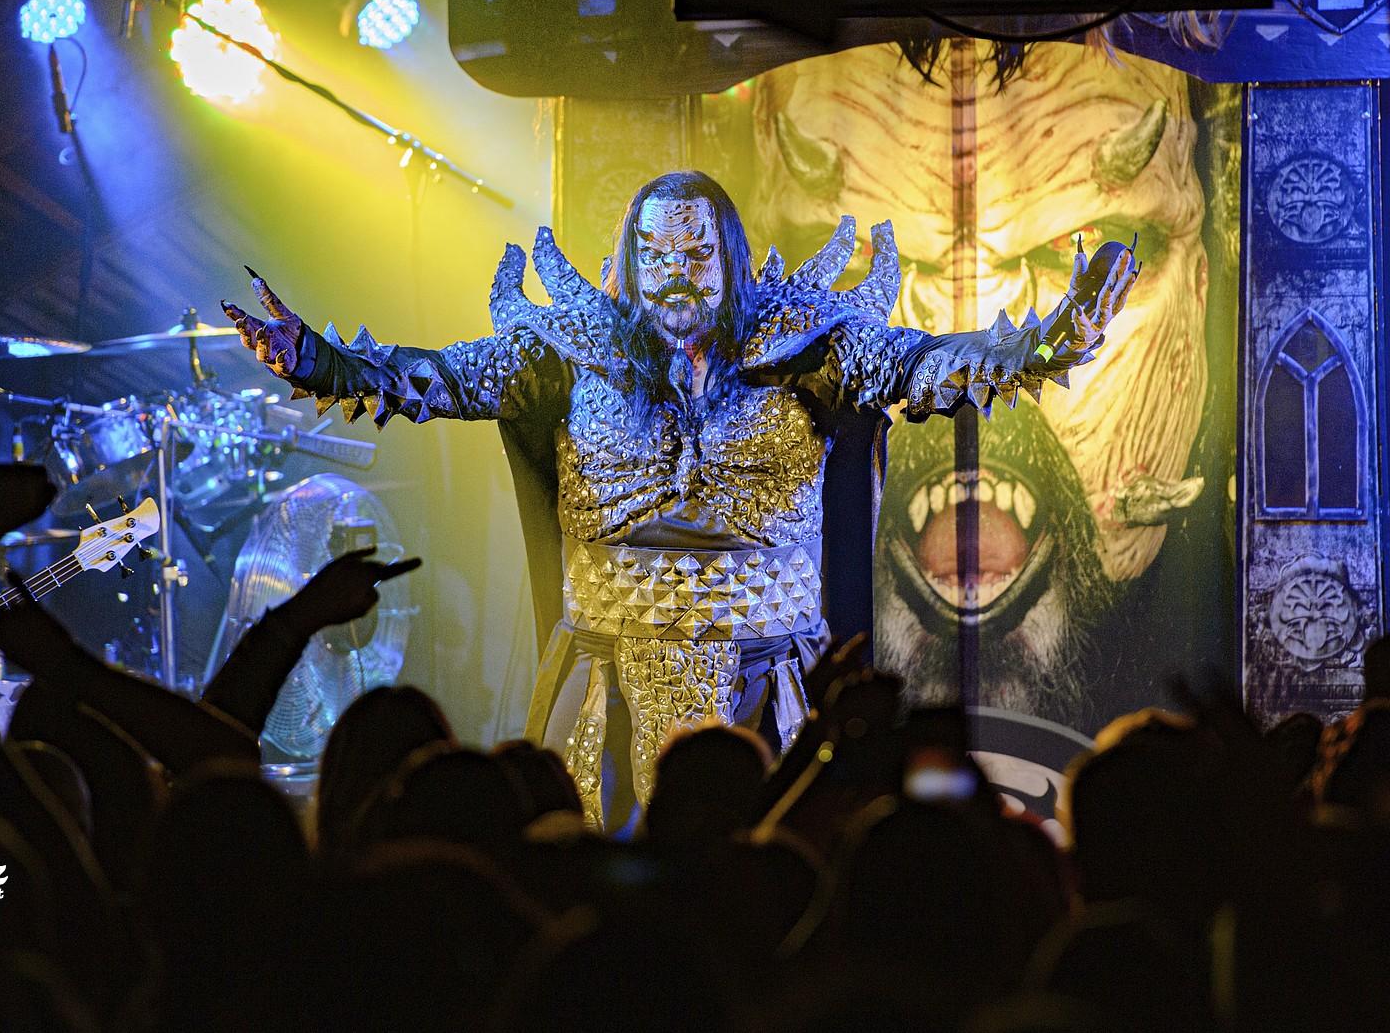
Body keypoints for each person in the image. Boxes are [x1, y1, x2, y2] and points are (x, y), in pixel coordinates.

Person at [223, 170, 1136, 827]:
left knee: (768, 861)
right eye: (654, 252)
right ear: (629, 261)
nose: (674, 273)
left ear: (728, 258)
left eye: (696, 251)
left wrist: (1052, 339)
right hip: (605, 678)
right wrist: (317, 360)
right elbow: (438, 378)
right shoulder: (567, 353)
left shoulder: (812, 348)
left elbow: (933, 364)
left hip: (767, 680)